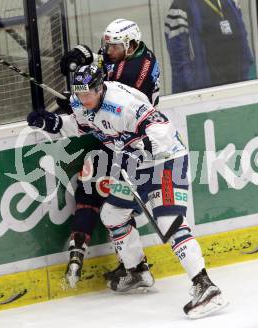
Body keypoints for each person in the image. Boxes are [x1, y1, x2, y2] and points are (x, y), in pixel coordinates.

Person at [27, 64, 228, 319]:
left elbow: (162, 128)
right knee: (112, 214)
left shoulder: (123, 103)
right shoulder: (82, 102)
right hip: (134, 165)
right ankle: (137, 271)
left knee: (170, 222)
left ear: (100, 88)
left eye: (88, 93)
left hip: (166, 160)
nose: (83, 99)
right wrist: (53, 123)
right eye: (80, 95)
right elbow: (81, 126)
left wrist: (141, 145)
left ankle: (206, 286)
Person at [57, 18, 161, 288]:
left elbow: (106, 90)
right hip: (114, 139)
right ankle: (135, 267)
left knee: (114, 205)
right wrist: (90, 55)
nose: (107, 50)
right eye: (106, 45)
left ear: (131, 45)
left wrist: (76, 100)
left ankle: (137, 268)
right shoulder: (128, 55)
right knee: (96, 193)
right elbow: (102, 70)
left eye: (113, 47)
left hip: (132, 144)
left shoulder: (139, 68)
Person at [164, 0, 253, 93]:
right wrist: (198, 91)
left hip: (237, 89)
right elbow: (179, 64)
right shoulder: (179, 7)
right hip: (205, 96)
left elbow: (243, 42)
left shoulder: (231, 2)